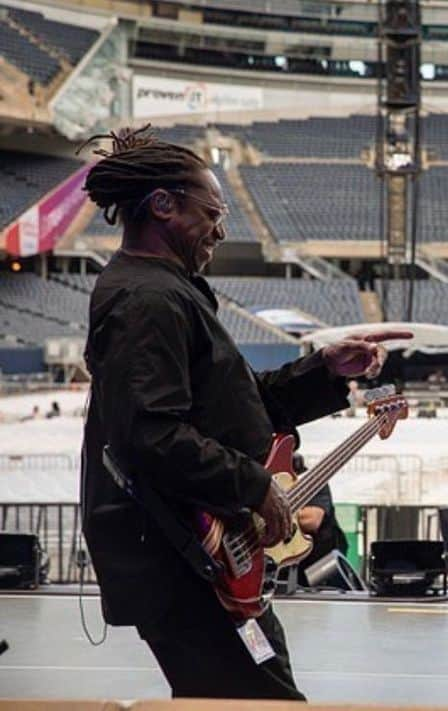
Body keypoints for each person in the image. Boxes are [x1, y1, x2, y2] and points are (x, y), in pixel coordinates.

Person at [78, 125, 412, 700]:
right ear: (163, 206)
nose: (220, 230)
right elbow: (149, 434)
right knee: (262, 701)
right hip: (183, 563)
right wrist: (255, 485)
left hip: (207, 561)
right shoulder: (147, 299)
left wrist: (325, 370)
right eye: (211, 213)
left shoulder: (167, 291)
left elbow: (232, 408)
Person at [292, 454, 349, 587]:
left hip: (320, 567)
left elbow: (311, 520)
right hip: (290, 567)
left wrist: (273, 515)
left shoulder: (312, 480)